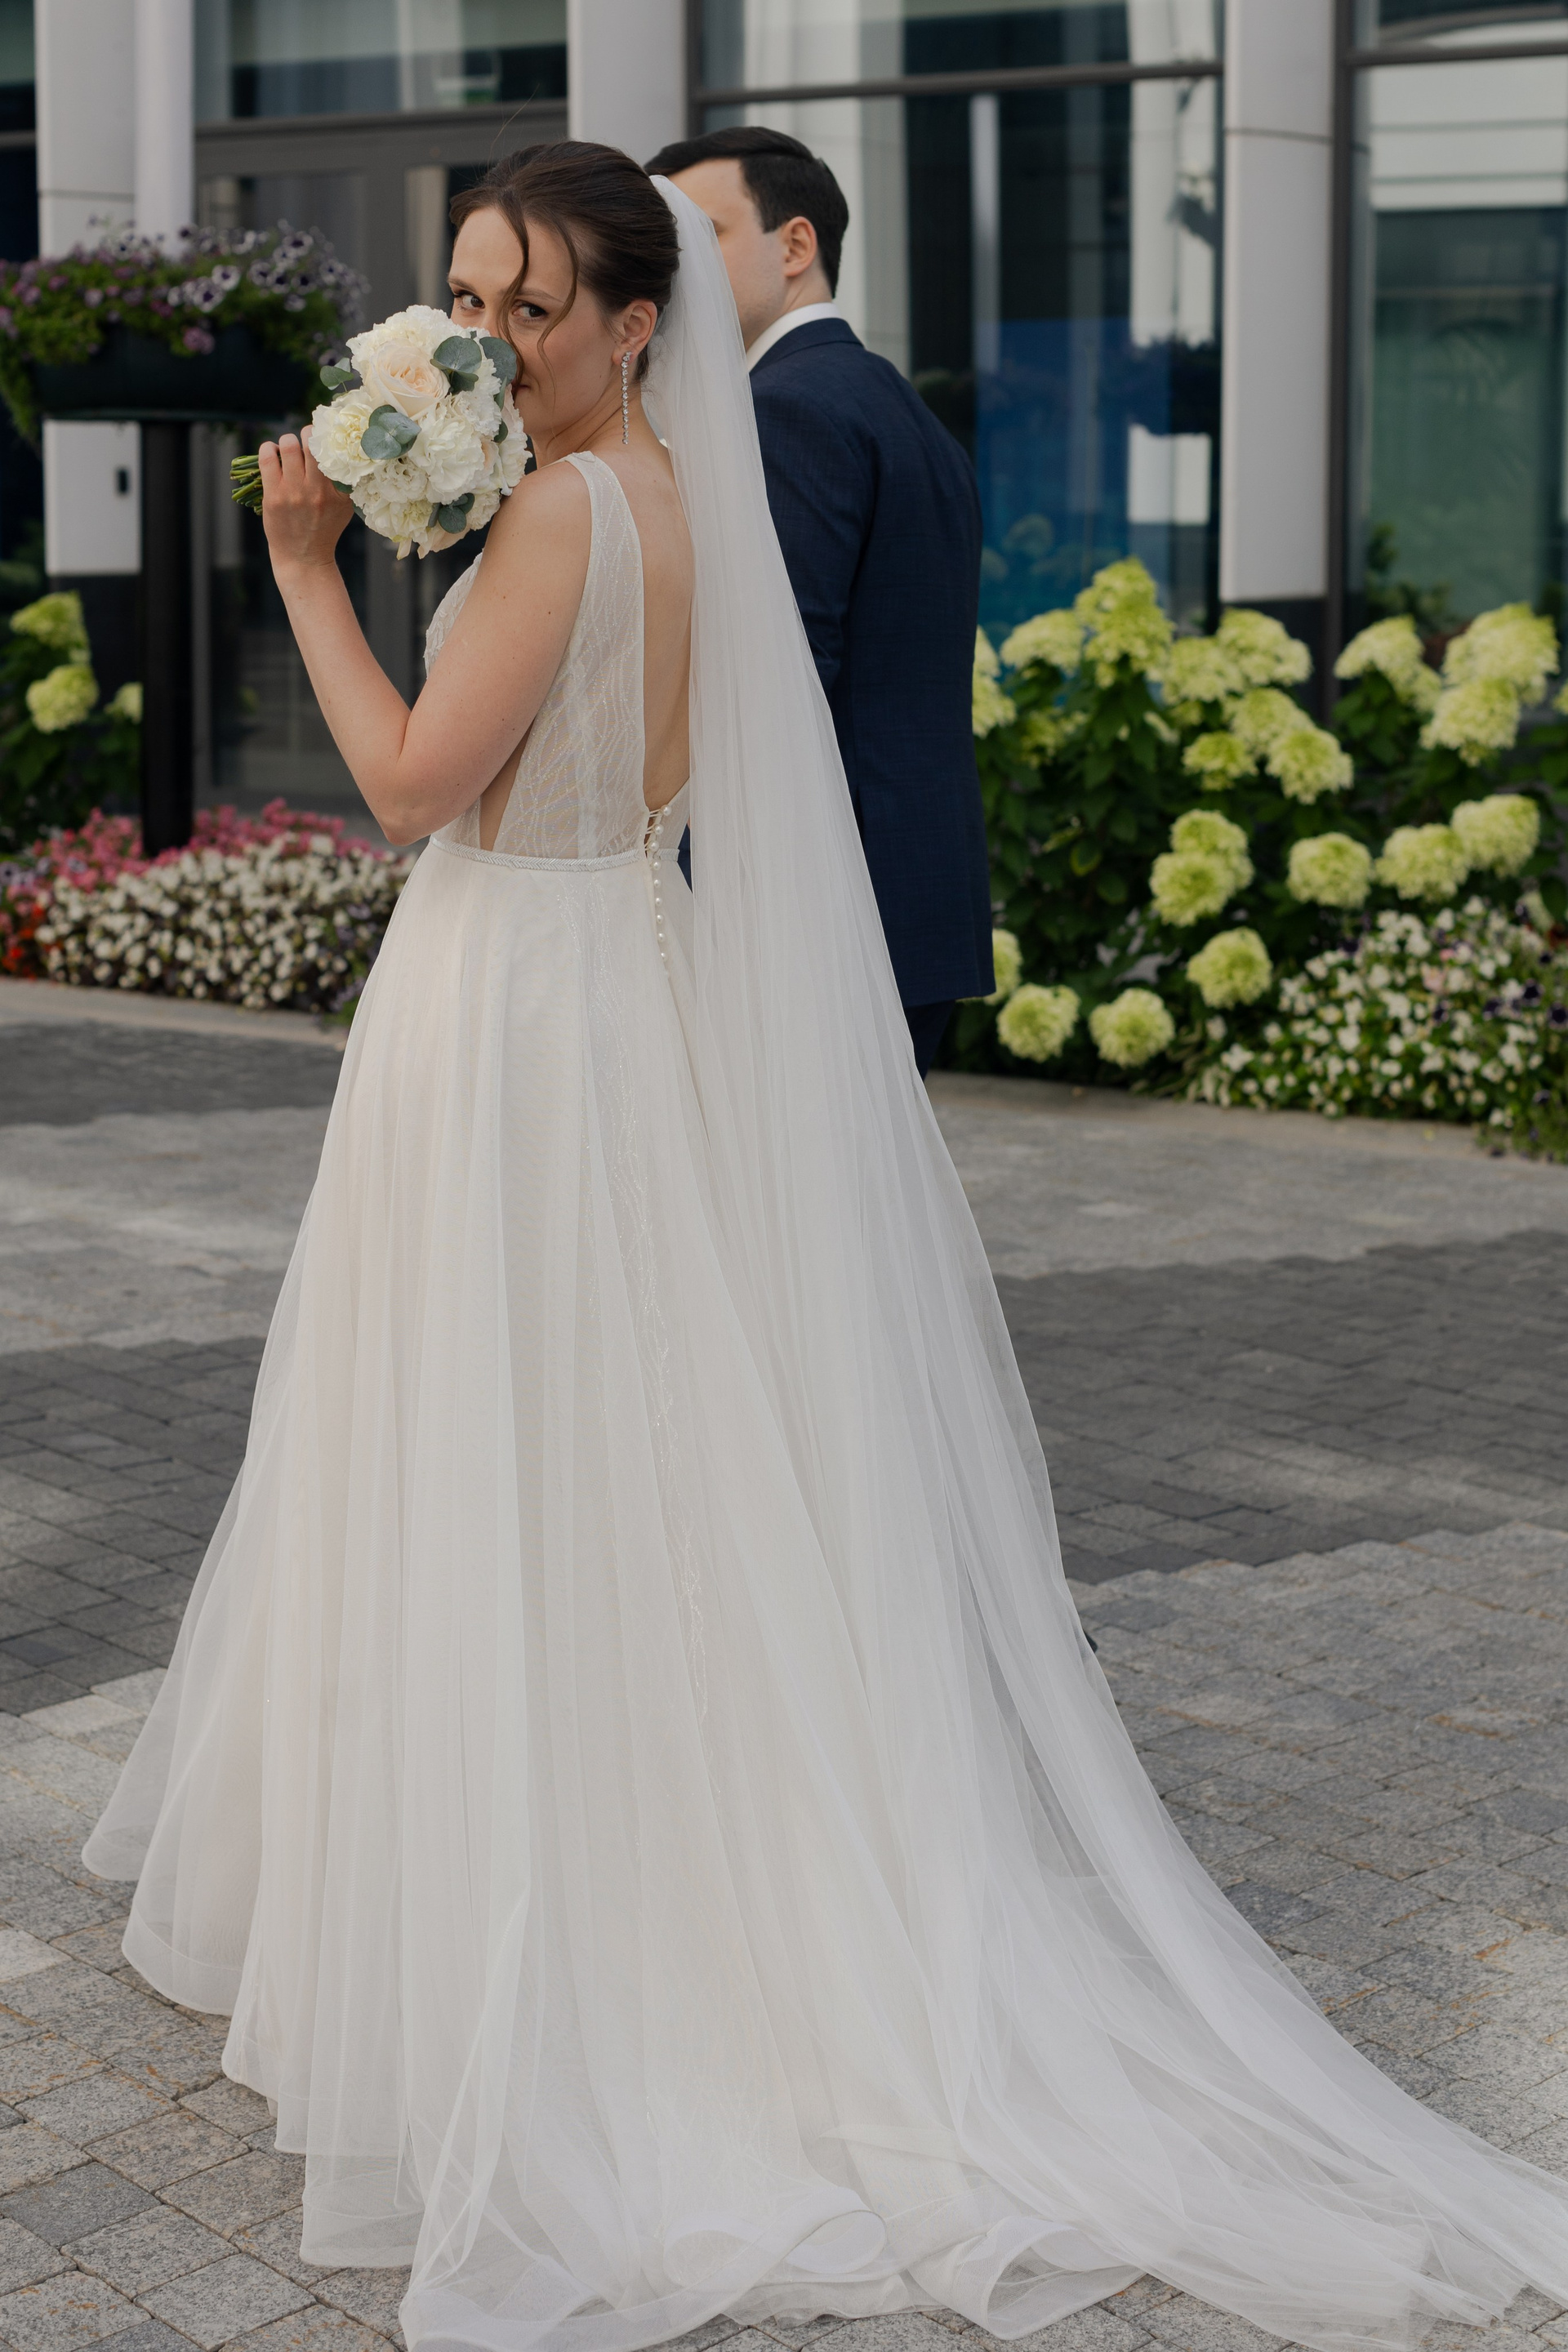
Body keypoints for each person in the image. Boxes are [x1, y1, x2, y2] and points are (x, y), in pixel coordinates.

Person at [84, 139, 1568, 2352]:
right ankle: (610, 1865)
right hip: (614, 989)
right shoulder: (681, 504)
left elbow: (402, 788)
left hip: (514, 1007)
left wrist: (307, 566)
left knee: (499, 1441)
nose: (484, 338)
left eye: (529, 307)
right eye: (464, 296)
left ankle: (535, 1935)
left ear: (635, 324)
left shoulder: (567, 517)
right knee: (615, 1453)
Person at [645, 125, 992, 1074]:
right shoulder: (892, 402)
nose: (671, 276)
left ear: (795, 244)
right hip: (911, 886)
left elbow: (773, 679)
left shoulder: (787, 407)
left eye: (700, 237)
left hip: (822, 904)